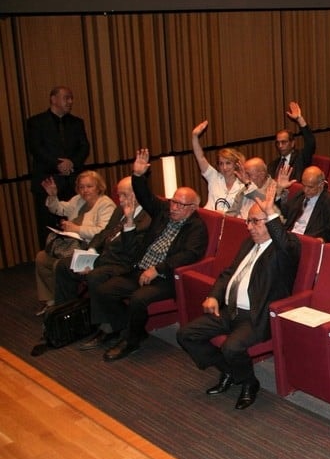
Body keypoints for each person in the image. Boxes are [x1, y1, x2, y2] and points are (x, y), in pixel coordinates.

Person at [177, 182, 300, 410]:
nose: (249, 227)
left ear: (273, 223)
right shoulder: (248, 244)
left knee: (231, 347)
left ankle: (248, 383)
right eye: (248, 221)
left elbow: (284, 242)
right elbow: (228, 274)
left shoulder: (285, 249)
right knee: (186, 335)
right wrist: (214, 295)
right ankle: (230, 371)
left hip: (256, 316)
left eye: (256, 222)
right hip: (229, 311)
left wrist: (271, 212)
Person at [94, 149, 208, 363]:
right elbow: (146, 197)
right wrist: (138, 176)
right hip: (139, 269)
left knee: (138, 299)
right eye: (173, 201)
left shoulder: (196, 227)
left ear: (193, 208)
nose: (174, 207)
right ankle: (129, 329)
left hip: (165, 278)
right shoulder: (164, 211)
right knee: (104, 291)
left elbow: (188, 255)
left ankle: (131, 341)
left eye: (180, 205)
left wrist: (158, 269)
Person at [52, 177, 153, 352]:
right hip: (104, 256)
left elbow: (132, 252)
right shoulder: (119, 210)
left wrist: (129, 222)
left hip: (123, 263)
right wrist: (90, 252)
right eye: (118, 194)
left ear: (137, 194)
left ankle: (107, 328)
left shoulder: (147, 217)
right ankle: (69, 321)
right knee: (64, 265)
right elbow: (104, 233)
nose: (119, 200)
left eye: (124, 195)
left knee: (95, 276)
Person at [34, 171, 116, 316]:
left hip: (91, 249)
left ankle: (64, 305)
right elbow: (58, 208)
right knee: (41, 258)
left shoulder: (106, 204)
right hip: (72, 246)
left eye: (89, 186)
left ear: (99, 187)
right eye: (82, 187)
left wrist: (76, 229)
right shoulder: (78, 200)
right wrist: (53, 195)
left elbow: (104, 232)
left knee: (58, 265)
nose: (85, 191)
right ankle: (51, 300)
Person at [25, 86, 91, 246]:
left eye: (71, 98)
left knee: (75, 221)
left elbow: (84, 147)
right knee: (48, 226)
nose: (70, 101)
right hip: (48, 181)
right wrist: (58, 164)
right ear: (53, 99)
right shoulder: (36, 122)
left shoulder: (76, 122)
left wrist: (71, 163)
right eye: (66, 98)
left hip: (72, 183)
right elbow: (35, 148)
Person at [191, 120, 247, 214]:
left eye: (228, 163)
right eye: (221, 163)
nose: (224, 167)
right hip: (209, 222)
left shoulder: (243, 185)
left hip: (230, 224)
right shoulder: (214, 177)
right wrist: (194, 136)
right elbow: (200, 157)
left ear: (236, 164)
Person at [279, 165, 330, 241]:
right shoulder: (300, 195)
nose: (305, 190)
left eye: (310, 187)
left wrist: (323, 239)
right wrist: (279, 190)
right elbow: (283, 213)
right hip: (289, 237)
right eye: (304, 185)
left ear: (321, 185)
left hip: (307, 241)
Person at [267, 101, 316, 181]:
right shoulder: (273, 165)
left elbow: (310, 142)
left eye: (283, 142)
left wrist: (299, 119)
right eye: (278, 143)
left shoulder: (301, 157)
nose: (280, 146)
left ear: (292, 143)